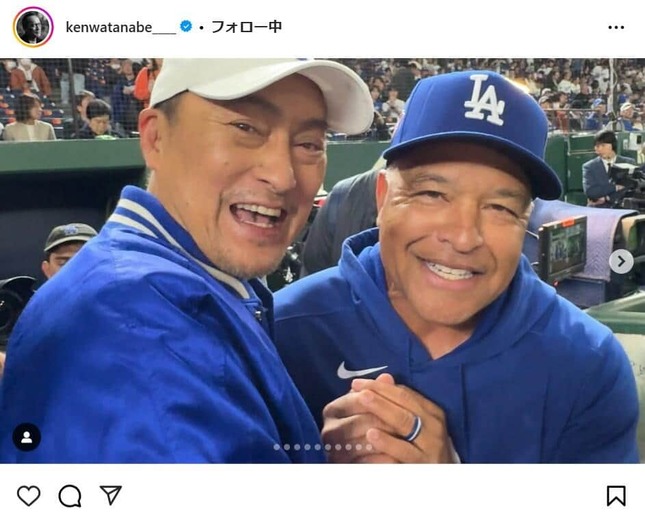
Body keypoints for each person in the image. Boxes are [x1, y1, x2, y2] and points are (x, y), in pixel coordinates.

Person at [0, 58, 373, 463]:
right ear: (156, 138)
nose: (283, 176)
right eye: (245, 128)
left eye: (310, 144)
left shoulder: (191, 281)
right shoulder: (134, 316)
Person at [274, 71, 640, 463]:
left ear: (526, 220)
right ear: (382, 199)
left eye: (499, 207)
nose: (464, 237)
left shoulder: (587, 360)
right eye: (432, 194)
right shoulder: (281, 332)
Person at [582, 129, 636, 208]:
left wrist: (607, 198)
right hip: (598, 209)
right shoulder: (589, 167)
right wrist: (615, 187)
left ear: (611, 145)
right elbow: (590, 191)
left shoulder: (629, 163)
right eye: (597, 146)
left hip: (623, 208)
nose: (599, 149)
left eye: (602, 145)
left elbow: (631, 188)